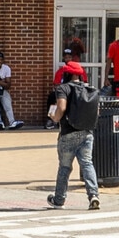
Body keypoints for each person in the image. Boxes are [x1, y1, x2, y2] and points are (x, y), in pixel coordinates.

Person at [46, 58, 100, 210]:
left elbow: (61, 108)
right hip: (87, 133)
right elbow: (97, 112)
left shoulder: (63, 88)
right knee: (87, 164)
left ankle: (59, 200)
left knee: (65, 167)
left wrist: (54, 117)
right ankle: (93, 195)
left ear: (67, 74)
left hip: (68, 133)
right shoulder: (90, 89)